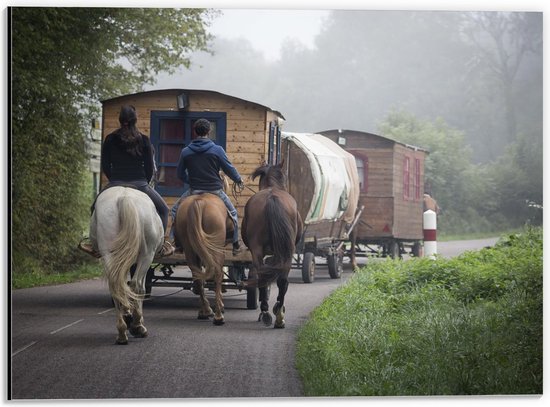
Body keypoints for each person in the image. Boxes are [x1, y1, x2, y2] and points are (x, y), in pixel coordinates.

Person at [79, 105, 175, 257]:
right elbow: (150, 167)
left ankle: (94, 245)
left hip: (115, 182)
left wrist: (114, 180)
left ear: (120, 120)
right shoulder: (144, 140)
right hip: (140, 184)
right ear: (135, 120)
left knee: (94, 208)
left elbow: (105, 165)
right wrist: (144, 181)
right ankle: (161, 245)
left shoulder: (110, 139)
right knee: (164, 209)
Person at [170, 118, 244, 255]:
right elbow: (228, 168)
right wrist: (238, 179)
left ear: (195, 132)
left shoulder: (186, 151)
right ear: (209, 132)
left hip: (194, 190)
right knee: (233, 213)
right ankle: (235, 244)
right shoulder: (217, 150)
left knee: (174, 211)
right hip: (215, 191)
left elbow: (179, 174)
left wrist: (191, 180)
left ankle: (176, 243)